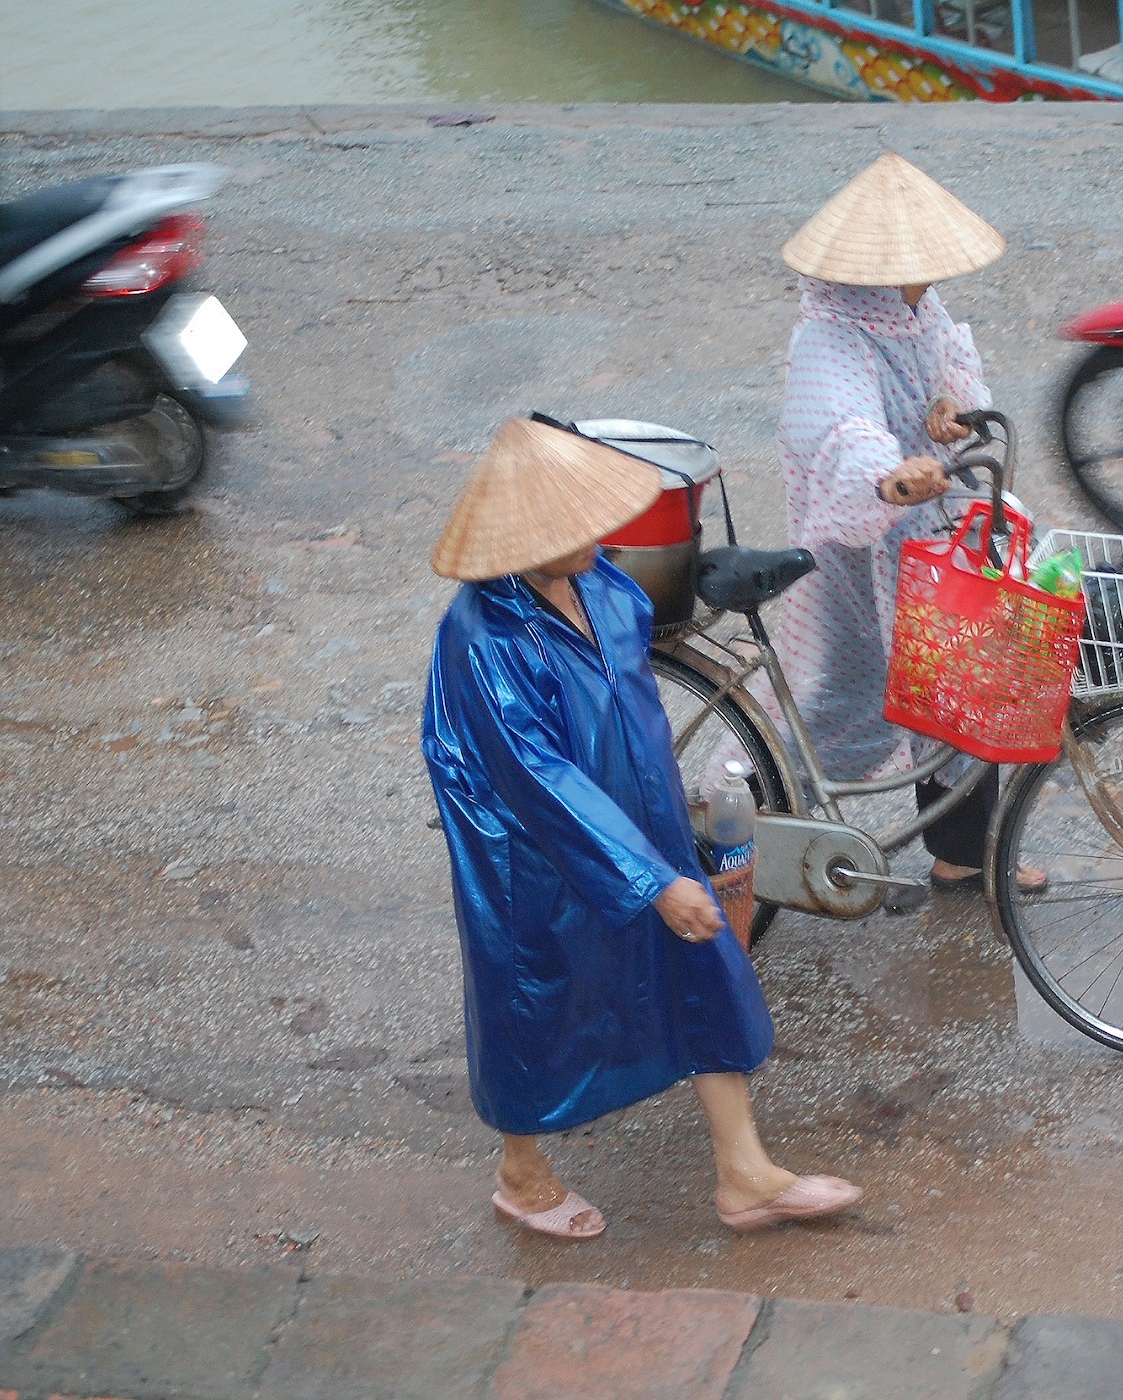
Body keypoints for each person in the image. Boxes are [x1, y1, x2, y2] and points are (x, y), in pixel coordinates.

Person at [421, 417, 862, 1240]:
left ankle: (746, 1173)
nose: (599, 539)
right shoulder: (482, 640)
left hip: (637, 820)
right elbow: (536, 778)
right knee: (540, 998)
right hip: (533, 853)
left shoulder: (608, 590)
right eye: (575, 529)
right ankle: (521, 1172)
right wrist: (653, 881)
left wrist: (669, 847)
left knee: (702, 970)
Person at [772, 152, 1044, 895]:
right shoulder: (830, 336)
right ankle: (750, 804)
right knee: (847, 698)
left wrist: (947, 410)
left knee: (948, 685)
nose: (932, 281)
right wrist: (886, 475)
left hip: (922, 541)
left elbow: (950, 372)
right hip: (859, 546)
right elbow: (834, 424)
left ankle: (963, 852)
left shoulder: (918, 315)